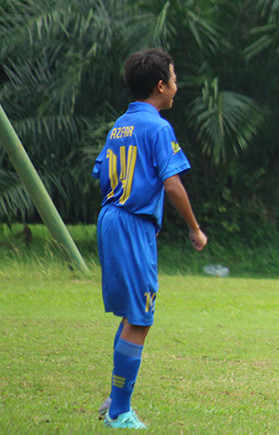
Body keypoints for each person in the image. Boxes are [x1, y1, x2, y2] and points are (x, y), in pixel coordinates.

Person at [93, 48, 208, 429]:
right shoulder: (157, 127)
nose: (177, 86)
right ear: (160, 85)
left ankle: (115, 397)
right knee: (140, 317)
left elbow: (101, 173)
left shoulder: (120, 124)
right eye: (174, 79)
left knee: (131, 314)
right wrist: (194, 227)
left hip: (111, 217)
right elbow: (172, 184)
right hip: (132, 223)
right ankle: (120, 411)